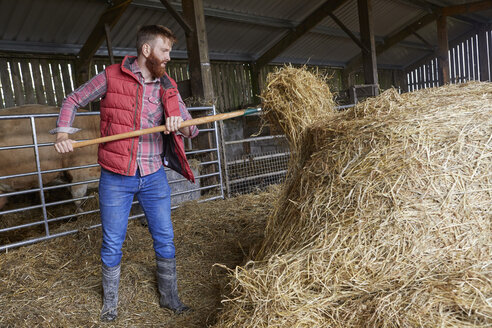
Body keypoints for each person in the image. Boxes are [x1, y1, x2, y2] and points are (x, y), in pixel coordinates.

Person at [52, 25, 198, 321]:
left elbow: (192, 129)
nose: (169, 57)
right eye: (165, 50)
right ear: (147, 50)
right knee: (112, 241)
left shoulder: (168, 86)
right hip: (116, 177)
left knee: (165, 237)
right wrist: (62, 133)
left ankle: (170, 298)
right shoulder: (111, 76)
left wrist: (177, 123)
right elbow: (73, 99)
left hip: (154, 175)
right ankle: (110, 304)